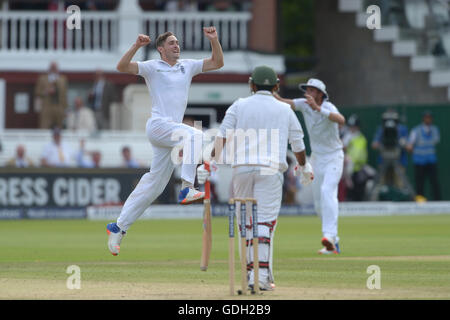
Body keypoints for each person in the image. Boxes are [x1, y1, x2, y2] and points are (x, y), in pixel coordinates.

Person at [106, 27, 224, 256]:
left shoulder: (187, 66)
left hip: (171, 134)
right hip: (159, 126)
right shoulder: (152, 67)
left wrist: (214, 40)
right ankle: (187, 187)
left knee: (155, 184)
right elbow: (121, 67)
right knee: (196, 134)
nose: (176, 46)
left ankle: (118, 227)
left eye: (177, 42)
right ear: (161, 49)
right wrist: (136, 46)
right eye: (171, 43)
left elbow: (217, 62)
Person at [197, 66, 313, 291]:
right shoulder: (284, 109)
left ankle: (254, 275)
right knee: (264, 225)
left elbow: (222, 139)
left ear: (251, 85)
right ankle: (258, 279)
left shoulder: (239, 105)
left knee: (246, 226)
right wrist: (304, 166)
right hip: (270, 171)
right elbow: (298, 143)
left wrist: (209, 163)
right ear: (277, 86)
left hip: (241, 170)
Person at [274, 78, 345, 255]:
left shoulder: (329, 107)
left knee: (328, 191)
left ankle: (329, 235)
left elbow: (341, 119)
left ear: (321, 94)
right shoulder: (304, 104)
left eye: (312, 90)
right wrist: (269, 90)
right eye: (308, 90)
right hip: (317, 159)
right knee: (319, 204)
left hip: (334, 157)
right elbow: (283, 103)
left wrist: (319, 109)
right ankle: (333, 243)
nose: (308, 93)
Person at [406, 111, 441, 201]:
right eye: (426, 117)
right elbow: (410, 144)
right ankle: (420, 201)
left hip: (431, 160)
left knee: (434, 182)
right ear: (423, 119)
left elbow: (435, 140)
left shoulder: (435, 130)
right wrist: (410, 147)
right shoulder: (416, 130)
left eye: (429, 117)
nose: (428, 119)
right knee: (419, 182)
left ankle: (438, 201)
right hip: (419, 160)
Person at [34, 61, 68, 129]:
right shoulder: (42, 79)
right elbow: (37, 92)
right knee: (45, 126)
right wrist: (46, 92)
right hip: (47, 107)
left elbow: (64, 95)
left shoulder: (63, 79)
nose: (54, 69)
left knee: (59, 127)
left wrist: (65, 108)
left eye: (55, 67)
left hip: (59, 107)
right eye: (52, 67)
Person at [345, 115, 370, 201]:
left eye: (354, 126)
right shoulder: (347, 137)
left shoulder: (361, 138)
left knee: (359, 191)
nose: (352, 128)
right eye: (351, 126)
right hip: (348, 168)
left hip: (359, 168)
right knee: (349, 191)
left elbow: (361, 154)